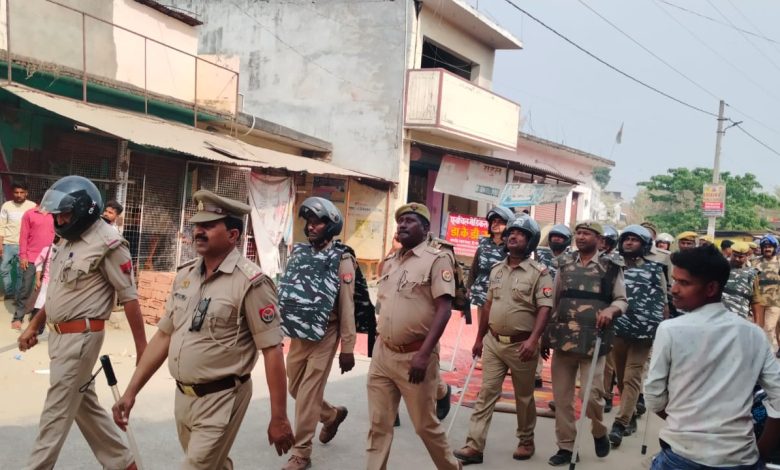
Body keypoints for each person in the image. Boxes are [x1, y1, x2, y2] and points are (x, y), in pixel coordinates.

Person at [112, 190, 294, 469]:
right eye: (197, 225)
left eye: (208, 226)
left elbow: (272, 351)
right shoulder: (185, 276)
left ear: (233, 235)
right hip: (184, 398)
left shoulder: (251, 283)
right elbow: (164, 335)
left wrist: (279, 417)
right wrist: (130, 392)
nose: (198, 231)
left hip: (222, 398)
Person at [16, 175, 148, 470]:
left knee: (54, 416)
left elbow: (129, 298)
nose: (60, 220)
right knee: (84, 407)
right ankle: (124, 464)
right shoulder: (67, 239)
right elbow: (58, 292)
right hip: (59, 338)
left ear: (84, 210)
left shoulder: (109, 244)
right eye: (57, 215)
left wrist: (143, 349)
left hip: (81, 339)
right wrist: (34, 325)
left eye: (65, 214)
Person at [645, 245, 780, 469]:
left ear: (711, 288)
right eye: (674, 280)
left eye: (684, 283)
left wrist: (688, 425)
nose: (674, 289)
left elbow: (653, 397)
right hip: (740, 457)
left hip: (681, 457)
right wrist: (762, 452)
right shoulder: (754, 334)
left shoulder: (670, 330)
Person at [366, 202, 461, 470]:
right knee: (378, 424)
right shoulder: (390, 261)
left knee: (424, 425)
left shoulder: (437, 259)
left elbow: (444, 309)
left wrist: (424, 354)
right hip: (383, 354)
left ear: (426, 228)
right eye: (401, 221)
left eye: (410, 221)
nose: (403, 225)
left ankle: (451, 467)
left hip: (416, 356)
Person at [453, 215, 553, 464]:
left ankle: (526, 440)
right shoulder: (496, 269)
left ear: (530, 241)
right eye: (511, 233)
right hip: (494, 343)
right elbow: (488, 305)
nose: (513, 236)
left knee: (524, 397)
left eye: (520, 234)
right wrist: (479, 338)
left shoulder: (539, 273)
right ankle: (474, 445)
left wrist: (534, 340)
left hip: (522, 346)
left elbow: (545, 308)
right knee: (486, 393)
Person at [277, 197, 357, 470]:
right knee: (295, 388)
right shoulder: (299, 252)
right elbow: (287, 292)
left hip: (326, 334)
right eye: (309, 222)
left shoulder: (342, 259)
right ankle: (332, 415)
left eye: (317, 222)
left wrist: (348, 347)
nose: (311, 226)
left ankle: (301, 453)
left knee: (308, 393)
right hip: (299, 333)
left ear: (331, 226)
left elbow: (347, 305)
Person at [544, 221, 628, 466]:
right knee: (562, 399)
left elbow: (622, 300)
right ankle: (566, 447)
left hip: (595, 341)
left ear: (600, 240)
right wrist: (544, 335)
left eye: (587, 234)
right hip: (564, 341)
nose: (581, 237)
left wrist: (611, 310)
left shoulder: (611, 267)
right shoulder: (564, 263)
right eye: (578, 233)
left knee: (591, 396)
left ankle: (599, 430)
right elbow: (554, 301)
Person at [607, 225, 668, 448]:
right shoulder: (613, 266)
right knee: (621, 375)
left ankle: (620, 423)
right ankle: (630, 413)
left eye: (635, 240)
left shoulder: (655, 268)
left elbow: (664, 301)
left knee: (632, 376)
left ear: (644, 245)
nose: (629, 243)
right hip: (619, 329)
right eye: (627, 239)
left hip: (644, 332)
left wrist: (663, 328)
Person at [467, 206, 512, 345]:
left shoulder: (511, 246)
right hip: (481, 291)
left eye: (499, 221)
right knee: (481, 325)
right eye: (493, 221)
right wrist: (468, 287)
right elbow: (474, 268)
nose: (495, 224)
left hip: (501, 292)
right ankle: (482, 349)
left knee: (497, 326)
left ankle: (492, 350)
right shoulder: (483, 244)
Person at [11, 202, 54, 330]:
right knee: (26, 287)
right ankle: (18, 317)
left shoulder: (56, 214)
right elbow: (23, 236)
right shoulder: (29, 214)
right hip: (31, 257)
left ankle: (38, 316)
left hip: (50, 257)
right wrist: (23, 256)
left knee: (45, 289)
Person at [0, 181, 36, 300]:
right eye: (16, 192)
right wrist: (0, 244)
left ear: (26, 193)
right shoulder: (6, 206)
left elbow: (36, 226)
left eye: (22, 192)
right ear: (12, 193)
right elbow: (1, 225)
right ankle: (9, 293)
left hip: (24, 245)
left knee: (21, 272)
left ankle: (18, 296)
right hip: (8, 243)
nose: (19, 195)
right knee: (3, 269)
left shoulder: (32, 206)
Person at [722, 242, 765, 325]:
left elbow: (755, 300)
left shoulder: (752, 274)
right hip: (719, 314)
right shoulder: (721, 268)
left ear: (747, 256)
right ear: (731, 253)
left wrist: (757, 324)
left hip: (739, 317)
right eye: (735, 255)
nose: (737, 259)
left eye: (741, 257)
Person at [757, 235, 780, 351]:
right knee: (758, 329)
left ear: (775, 248)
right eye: (765, 247)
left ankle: (768, 353)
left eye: (770, 247)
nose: (767, 249)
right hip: (758, 302)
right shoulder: (755, 262)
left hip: (775, 302)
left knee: (769, 328)